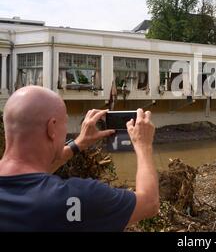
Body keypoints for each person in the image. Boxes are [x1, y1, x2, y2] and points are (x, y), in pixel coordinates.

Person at [0, 86, 159, 232]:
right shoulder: (77, 198)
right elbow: (149, 203)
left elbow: (31, 177)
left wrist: (79, 144)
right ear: (52, 128)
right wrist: (143, 146)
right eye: (65, 123)